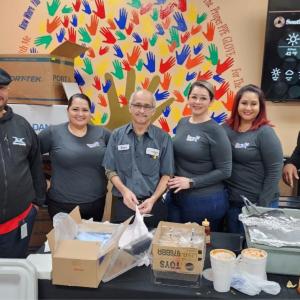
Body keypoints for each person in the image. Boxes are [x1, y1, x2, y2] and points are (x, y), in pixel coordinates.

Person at [102, 89, 174, 228]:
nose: (142, 110)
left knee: (152, 245)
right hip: (123, 203)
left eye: (147, 106)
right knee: (121, 246)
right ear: (130, 107)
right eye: (137, 105)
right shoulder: (117, 135)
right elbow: (110, 169)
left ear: (153, 110)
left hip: (153, 206)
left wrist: (153, 200)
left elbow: (167, 174)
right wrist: (124, 191)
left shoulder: (163, 138)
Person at [167, 80, 232, 232]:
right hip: (177, 197)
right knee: (177, 245)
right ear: (188, 98)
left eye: (203, 98)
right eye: (194, 97)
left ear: (211, 101)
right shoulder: (183, 122)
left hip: (205, 201)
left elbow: (225, 170)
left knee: (200, 248)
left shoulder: (215, 131)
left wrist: (191, 182)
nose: (197, 102)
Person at [38, 93, 110, 221]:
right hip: (61, 205)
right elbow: (29, 156)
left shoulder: (103, 134)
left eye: (85, 110)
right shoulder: (53, 133)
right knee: (64, 241)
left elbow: (120, 158)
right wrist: (43, 180)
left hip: (96, 203)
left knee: (91, 240)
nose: (80, 114)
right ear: (68, 111)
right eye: (75, 109)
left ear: (90, 112)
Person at [223, 84, 283, 234]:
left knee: (255, 251)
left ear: (260, 107)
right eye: (244, 103)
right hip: (233, 202)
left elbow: (275, 170)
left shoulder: (265, 132)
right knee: (235, 247)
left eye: (253, 104)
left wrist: (262, 206)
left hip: (258, 203)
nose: (248, 108)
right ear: (237, 104)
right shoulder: (226, 129)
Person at [0, 68, 46, 258]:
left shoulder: (22, 125)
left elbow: (36, 166)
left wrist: (36, 204)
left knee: (13, 279)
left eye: (2, 88)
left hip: (17, 223)